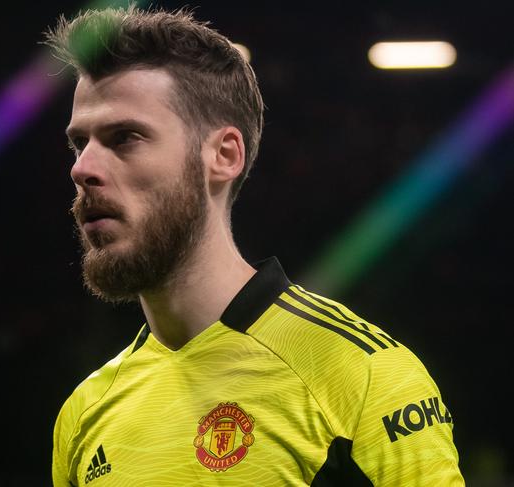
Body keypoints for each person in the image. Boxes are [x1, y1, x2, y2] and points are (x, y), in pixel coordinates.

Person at [46, 6, 463, 486]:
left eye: (126, 137)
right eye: (80, 144)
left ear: (223, 156)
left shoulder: (362, 376)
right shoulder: (84, 412)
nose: (83, 169)